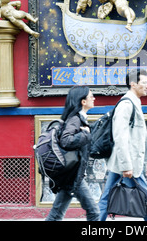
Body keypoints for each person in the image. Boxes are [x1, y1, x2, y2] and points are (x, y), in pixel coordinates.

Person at [98, 69, 147, 221]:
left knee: (107, 198)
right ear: (133, 84)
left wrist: (145, 161)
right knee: (145, 196)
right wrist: (126, 165)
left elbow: (137, 138)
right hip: (127, 163)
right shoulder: (127, 104)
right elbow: (121, 136)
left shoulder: (134, 102)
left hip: (128, 161)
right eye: (144, 82)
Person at [45, 86, 99, 221]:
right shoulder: (75, 119)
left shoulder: (78, 118)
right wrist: (86, 134)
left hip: (71, 175)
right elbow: (66, 140)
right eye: (91, 96)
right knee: (94, 212)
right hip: (74, 176)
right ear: (83, 101)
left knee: (56, 215)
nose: (94, 98)